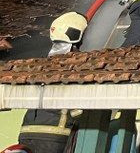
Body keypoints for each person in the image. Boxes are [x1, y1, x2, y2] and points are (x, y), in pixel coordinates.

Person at [9, 11, 88, 153]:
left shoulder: (40, 65)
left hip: (26, 135)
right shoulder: (77, 65)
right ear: (78, 36)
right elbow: (79, 109)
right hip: (55, 136)